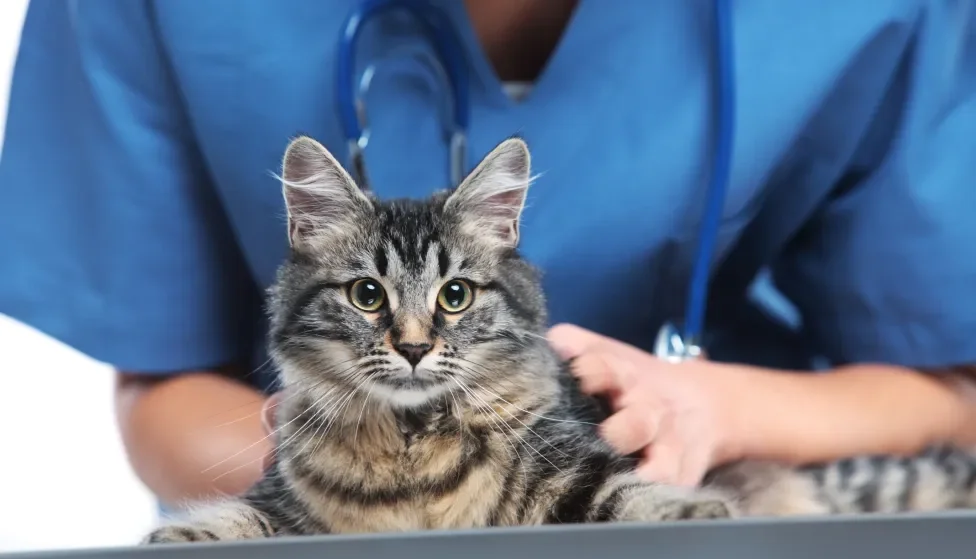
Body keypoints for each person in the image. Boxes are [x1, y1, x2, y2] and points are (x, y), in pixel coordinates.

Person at [1, 0, 974, 506]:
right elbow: (160, 388)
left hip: (735, 523)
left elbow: (955, 391)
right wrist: (365, 473)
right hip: (336, 555)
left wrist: (713, 408)